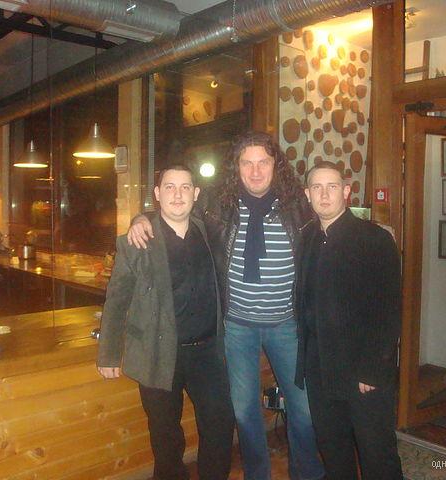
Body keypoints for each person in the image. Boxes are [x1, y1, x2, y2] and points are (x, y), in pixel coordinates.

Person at [129, 131, 325, 480]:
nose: (255, 171)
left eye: (263, 162)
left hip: (286, 324)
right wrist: (141, 218)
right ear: (237, 168)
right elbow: (176, 206)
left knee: (304, 411)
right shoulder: (219, 208)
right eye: (246, 163)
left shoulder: (298, 208)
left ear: (276, 166)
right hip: (236, 327)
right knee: (244, 413)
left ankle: (307, 474)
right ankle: (257, 475)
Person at [97, 165, 234, 480]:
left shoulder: (209, 232)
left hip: (206, 352)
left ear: (196, 194)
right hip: (158, 352)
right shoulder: (137, 240)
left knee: (220, 424)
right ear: (157, 194)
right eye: (170, 187)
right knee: (165, 437)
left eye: (185, 187)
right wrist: (109, 353)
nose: (178, 194)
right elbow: (116, 299)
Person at [296, 161, 403, 479]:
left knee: (377, 454)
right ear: (307, 194)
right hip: (320, 368)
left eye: (332, 187)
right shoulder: (306, 238)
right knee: (333, 450)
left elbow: (388, 310)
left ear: (346, 191)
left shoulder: (375, 239)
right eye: (316, 187)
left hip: (363, 370)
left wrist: (372, 367)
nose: (324, 194)